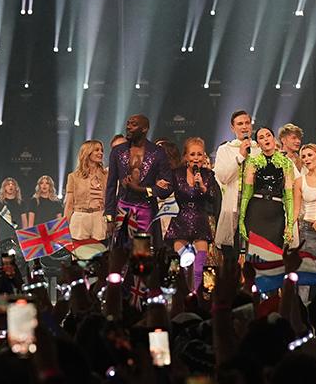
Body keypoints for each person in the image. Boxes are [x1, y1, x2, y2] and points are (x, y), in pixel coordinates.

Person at [104, 114, 174, 238]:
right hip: (123, 208)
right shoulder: (117, 151)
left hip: (146, 208)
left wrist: (141, 190)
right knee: (121, 253)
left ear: (144, 129)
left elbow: (167, 187)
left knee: (142, 253)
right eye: (128, 124)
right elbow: (111, 186)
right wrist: (109, 217)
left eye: (134, 124)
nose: (129, 127)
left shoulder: (157, 152)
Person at [166, 138, 220, 288]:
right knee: (179, 265)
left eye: (199, 154)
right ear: (186, 157)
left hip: (200, 222)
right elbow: (165, 192)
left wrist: (203, 187)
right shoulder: (176, 174)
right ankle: (178, 296)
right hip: (180, 222)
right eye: (192, 154)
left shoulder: (208, 175)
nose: (196, 158)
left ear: (204, 157)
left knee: (199, 267)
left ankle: (196, 296)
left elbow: (213, 198)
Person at [240, 127, 295, 249]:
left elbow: (289, 197)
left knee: (274, 256)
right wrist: (241, 220)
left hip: (276, 213)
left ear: (274, 139)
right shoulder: (253, 163)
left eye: (268, 135)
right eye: (261, 137)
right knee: (255, 255)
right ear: (258, 144)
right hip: (256, 211)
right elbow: (246, 195)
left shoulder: (286, 163)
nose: (266, 139)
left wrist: (290, 224)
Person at [214, 110, 260, 255]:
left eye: (247, 123)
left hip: (255, 209)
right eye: (240, 124)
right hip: (233, 208)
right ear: (232, 128)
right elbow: (223, 177)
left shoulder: (259, 149)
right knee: (232, 256)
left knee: (254, 255)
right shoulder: (225, 150)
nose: (244, 127)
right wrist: (240, 156)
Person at [292, 144, 316, 267]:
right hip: (309, 229)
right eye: (303, 157)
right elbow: (296, 209)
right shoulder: (299, 181)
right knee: (309, 268)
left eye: (310, 155)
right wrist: (289, 227)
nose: (306, 159)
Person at [64, 140, 108, 242]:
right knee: (79, 254)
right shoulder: (73, 177)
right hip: (80, 218)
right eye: (96, 150)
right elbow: (69, 204)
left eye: (101, 150)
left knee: (99, 255)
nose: (100, 153)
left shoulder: (106, 175)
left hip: (99, 217)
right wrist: (65, 226)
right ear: (87, 152)